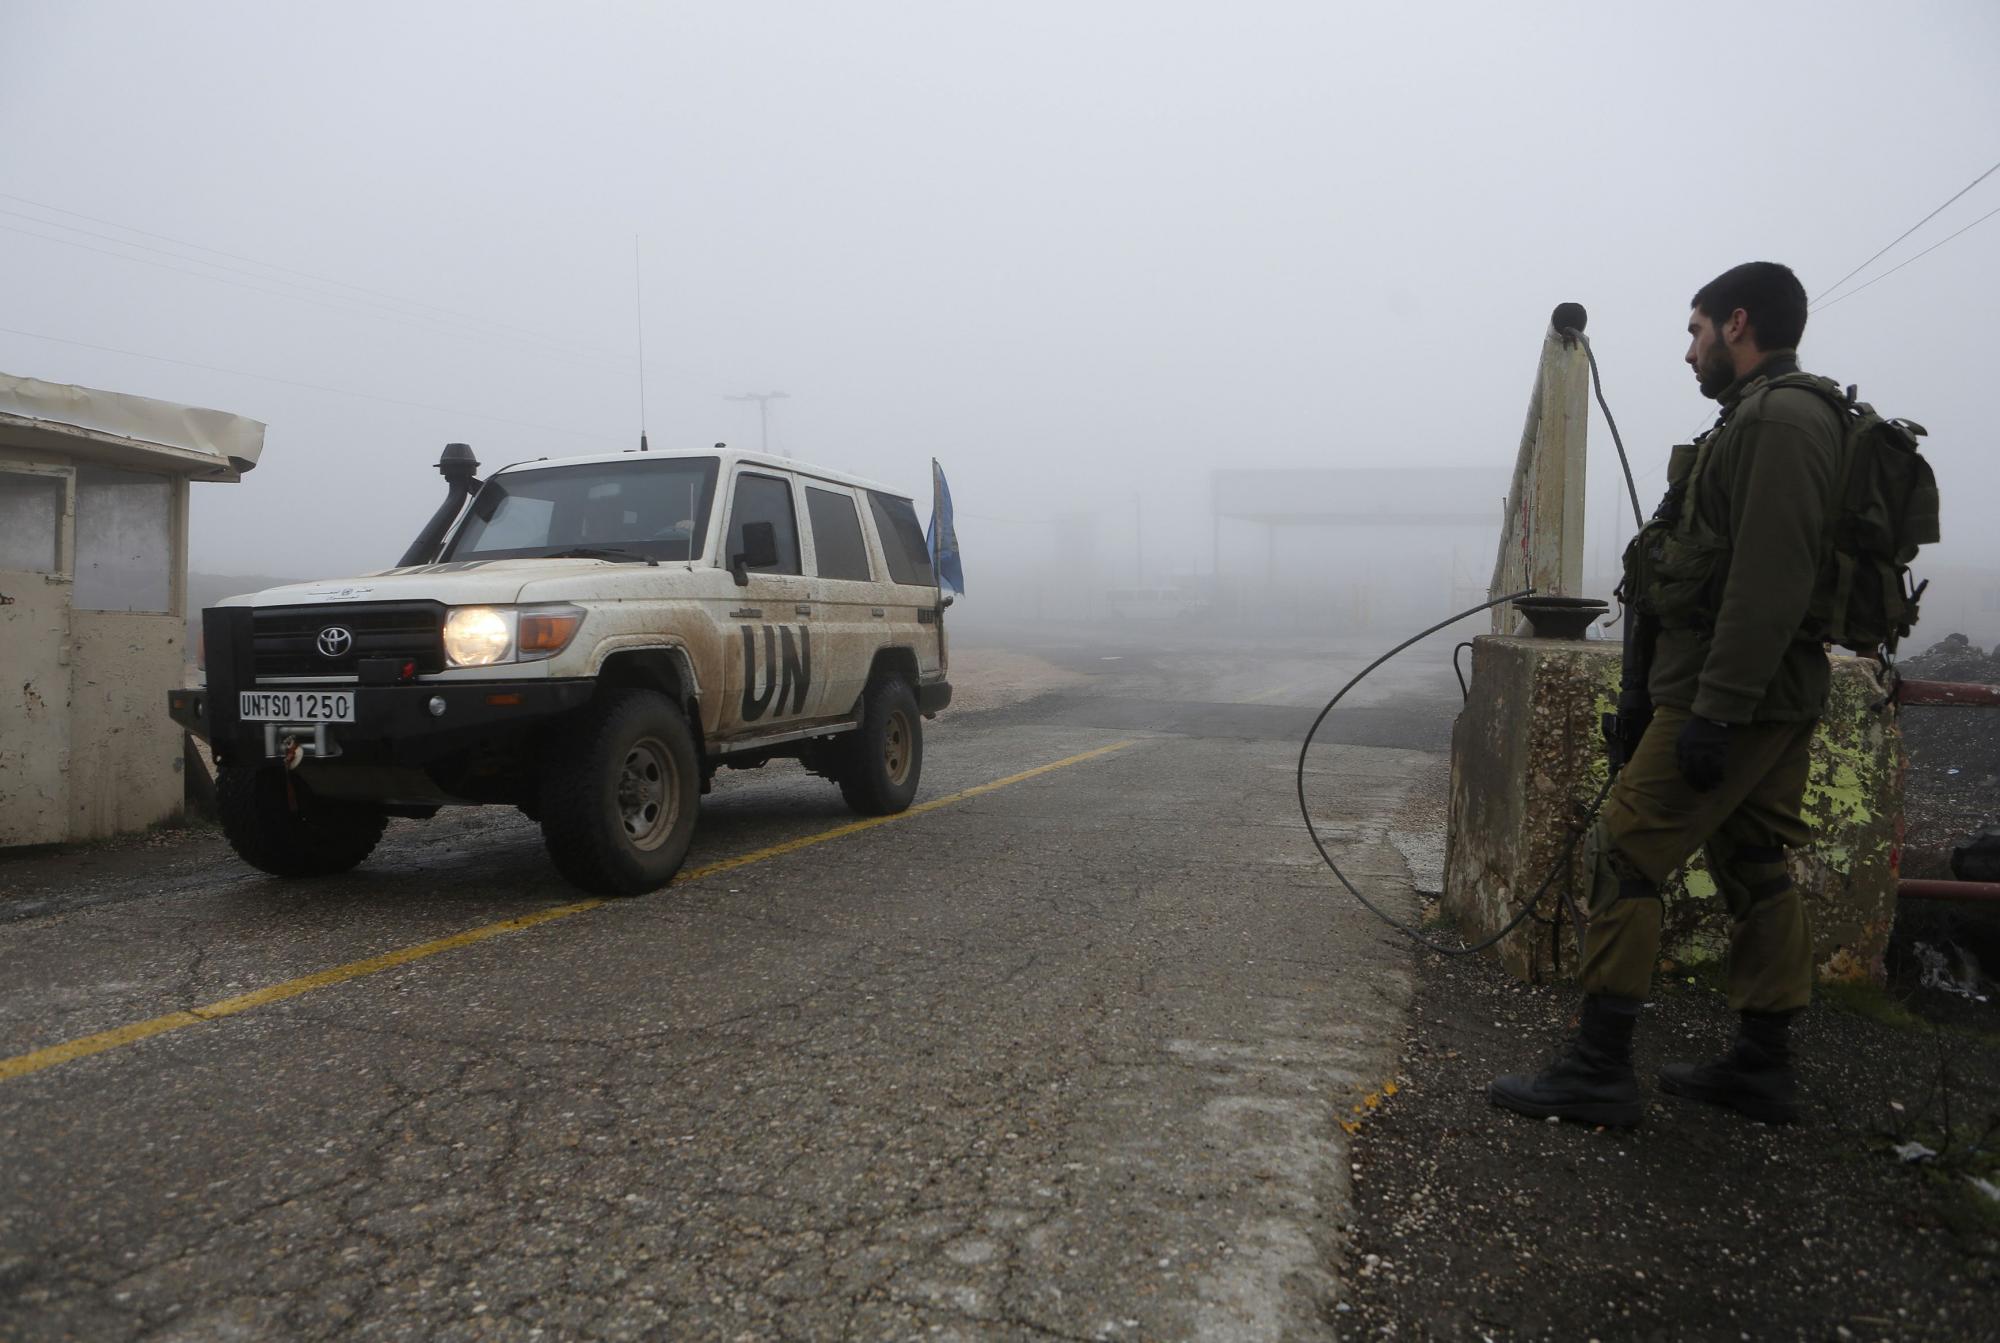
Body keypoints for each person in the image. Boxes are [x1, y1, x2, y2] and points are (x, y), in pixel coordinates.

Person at [1490, 261, 1845, 1128]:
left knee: (1625, 851)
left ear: (1736, 323)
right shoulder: (1759, 420)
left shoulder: (1783, 420)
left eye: (1694, 331)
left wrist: (1715, 709)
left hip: (1735, 697)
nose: (1687, 352)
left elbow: (1770, 579)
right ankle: (1762, 1067)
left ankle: (1598, 1069)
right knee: (1751, 860)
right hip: (1746, 692)